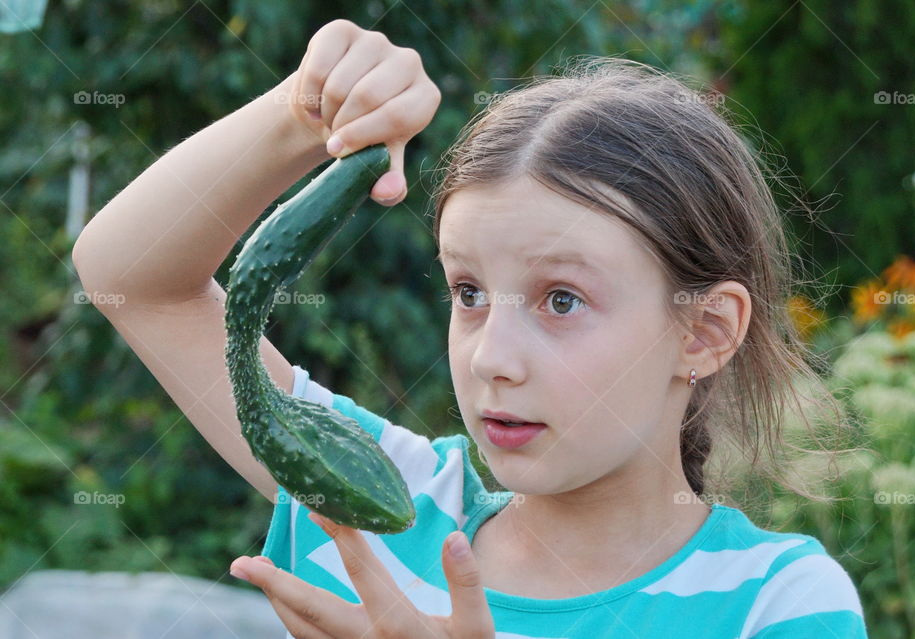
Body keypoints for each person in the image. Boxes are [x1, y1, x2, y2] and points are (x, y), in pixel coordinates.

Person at [73, 18, 869, 639]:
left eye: (562, 299)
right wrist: (305, 114)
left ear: (703, 331)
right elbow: (131, 277)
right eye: (469, 291)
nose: (492, 357)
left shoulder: (777, 600)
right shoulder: (384, 498)